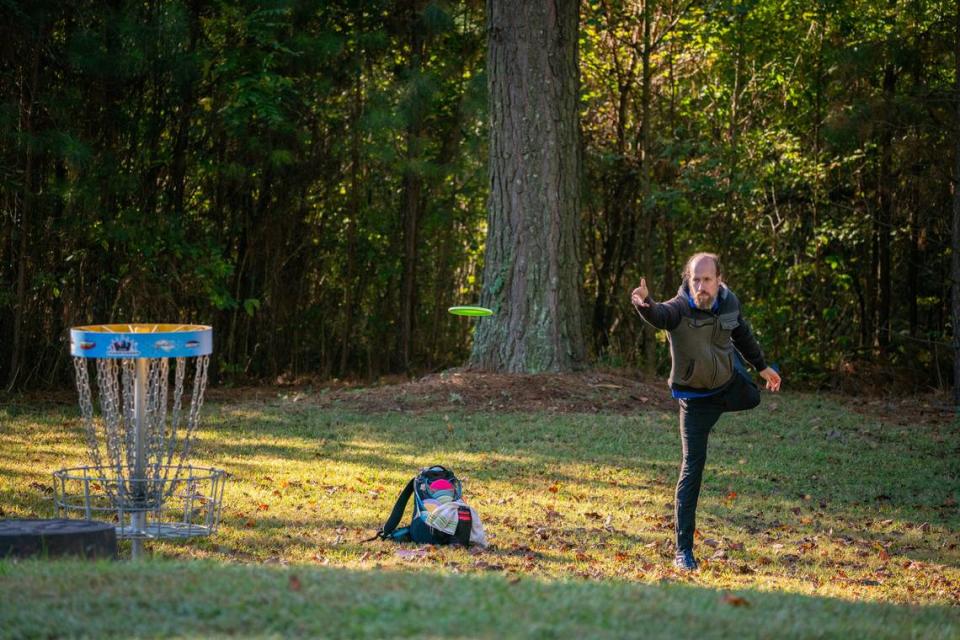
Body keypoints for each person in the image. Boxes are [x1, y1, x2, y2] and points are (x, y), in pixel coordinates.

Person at [631, 252, 781, 571]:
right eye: (695, 279)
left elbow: (741, 333)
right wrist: (644, 304)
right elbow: (660, 314)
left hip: (727, 385)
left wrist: (763, 366)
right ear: (688, 280)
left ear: (719, 280)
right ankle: (683, 551)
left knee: (753, 396)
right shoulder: (680, 308)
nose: (701, 286)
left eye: (707, 279)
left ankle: (735, 370)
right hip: (695, 399)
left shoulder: (728, 302)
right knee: (692, 469)